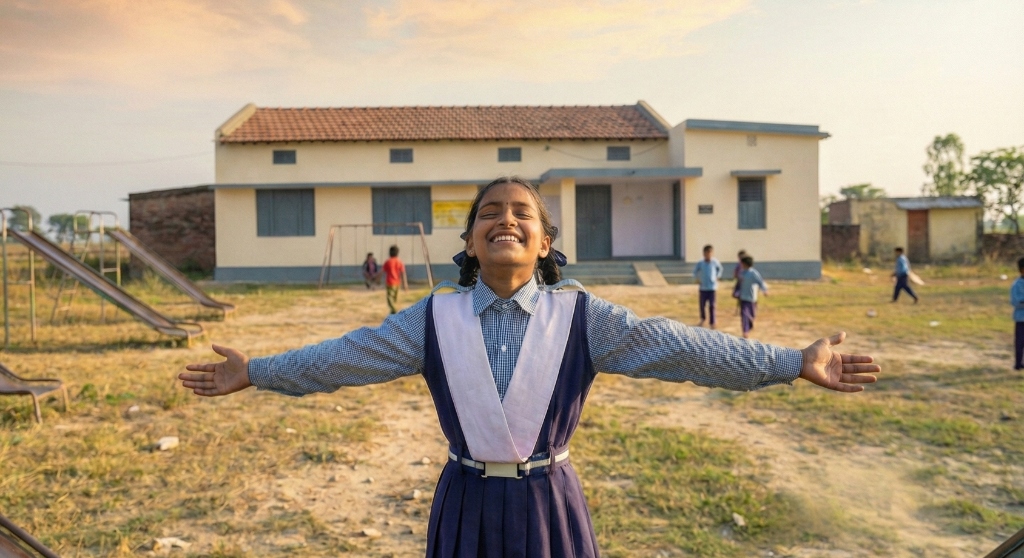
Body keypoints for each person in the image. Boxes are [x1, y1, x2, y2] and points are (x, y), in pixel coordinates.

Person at [178, 176, 880, 557]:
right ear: (471, 239)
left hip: (550, 502)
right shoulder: (432, 317)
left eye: (523, 213)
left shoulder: (586, 317)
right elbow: (343, 358)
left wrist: (789, 361)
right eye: (490, 211)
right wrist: (260, 371)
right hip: (467, 501)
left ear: (545, 242)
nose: (505, 219)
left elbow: (687, 349)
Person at [737, 255, 768, 339]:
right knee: (744, 314)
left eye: (742, 263)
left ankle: (749, 325)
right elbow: (739, 284)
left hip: (752, 299)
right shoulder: (741, 273)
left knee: (751, 315)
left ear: (745, 264)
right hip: (743, 298)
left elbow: (760, 282)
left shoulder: (753, 273)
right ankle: (745, 331)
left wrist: (764, 290)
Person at [693, 244, 723, 329]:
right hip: (703, 287)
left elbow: (720, 269)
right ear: (704, 253)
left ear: (712, 253)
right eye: (706, 253)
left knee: (712, 305)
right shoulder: (700, 263)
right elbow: (695, 271)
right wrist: (697, 278)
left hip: (712, 287)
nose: (708, 255)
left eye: (710, 253)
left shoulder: (715, 262)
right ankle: (703, 318)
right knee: (702, 305)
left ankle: (712, 321)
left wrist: (717, 276)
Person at [382, 245, 408, 314]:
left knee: (390, 299)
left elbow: (382, 271)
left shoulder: (388, 262)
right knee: (394, 299)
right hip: (397, 283)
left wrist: (376, 278)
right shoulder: (399, 262)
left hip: (390, 283)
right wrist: (405, 284)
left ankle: (395, 311)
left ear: (389, 253)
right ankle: (392, 312)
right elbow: (403, 273)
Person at [1011, 257, 1024, 370]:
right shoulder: (1017, 285)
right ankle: (1018, 363)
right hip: (1021, 318)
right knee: (1019, 343)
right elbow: (1015, 301)